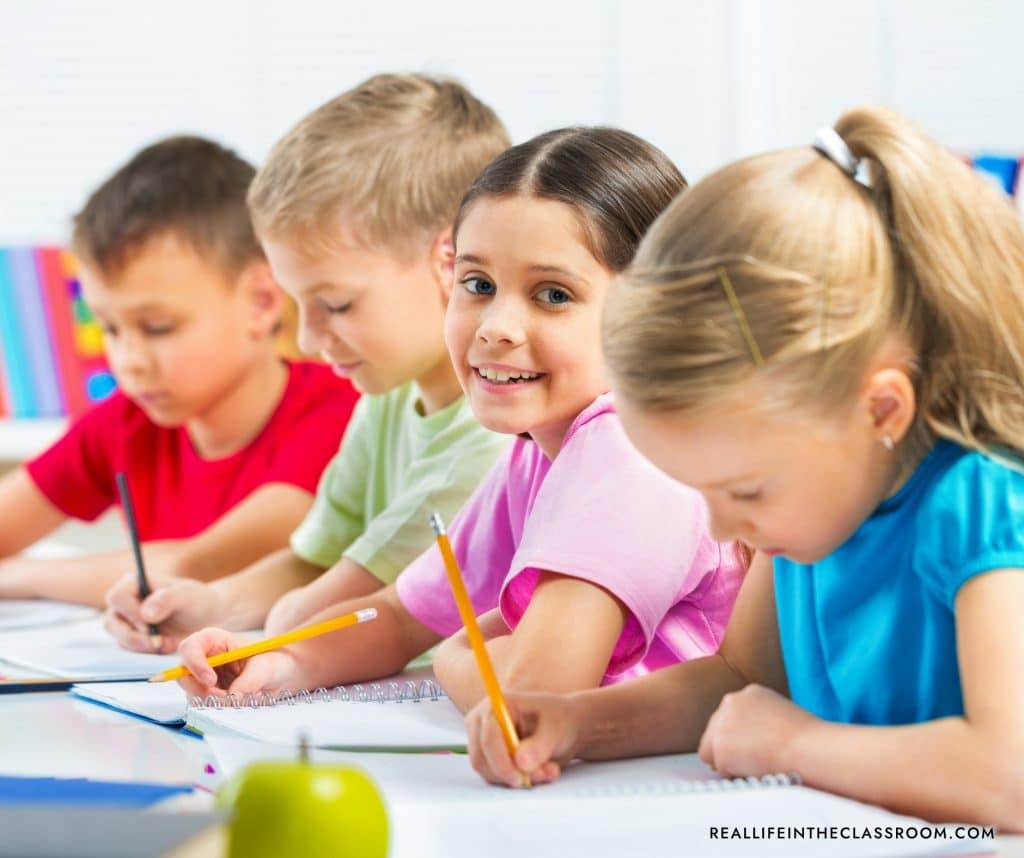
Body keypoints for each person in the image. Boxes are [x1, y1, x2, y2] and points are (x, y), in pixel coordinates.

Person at [464, 107, 1024, 830]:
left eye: (742, 490)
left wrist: (799, 744)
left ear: (880, 411)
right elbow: (738, 679)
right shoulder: (814, 509)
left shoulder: (980, 507)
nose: (724, 525)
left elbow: (1009, 774)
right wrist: (577, 722)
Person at [173, 128, 743, 712]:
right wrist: (275, 660)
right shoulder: (535, 455)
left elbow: (528, 690)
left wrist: (454, 656)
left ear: (657, 311)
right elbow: (397, 617)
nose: (495, 324)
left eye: (552, 295)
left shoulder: (629, 450)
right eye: (478, 284)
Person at [105, 74, 511, 653]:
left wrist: (257, 624)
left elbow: (319, 608)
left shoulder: (497, 435)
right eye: (300, 304)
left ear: (450, 262)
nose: (308, 336)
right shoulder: (385, 399)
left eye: (337, 304)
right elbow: (312, 561)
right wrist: (209, 604)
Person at [0, 136, 358, 608]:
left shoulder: (341, 411)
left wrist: (21, 576)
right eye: (108, 326)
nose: (129, 360)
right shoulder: (124, 423)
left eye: (157, 328)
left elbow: (194, 567)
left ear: (262, 301)